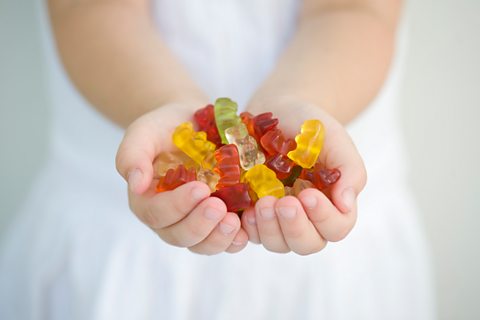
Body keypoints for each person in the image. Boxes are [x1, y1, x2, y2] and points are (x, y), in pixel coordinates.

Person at [0, 0, 434, 319]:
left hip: (338, 276)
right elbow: (89, 12)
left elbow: (356, 11)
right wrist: (167, 102)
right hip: (111, 242)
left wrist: (300, 100)